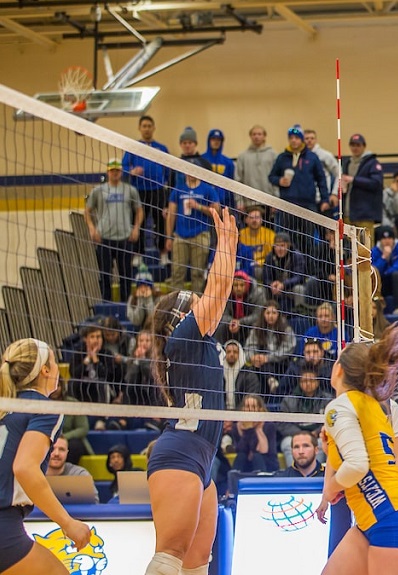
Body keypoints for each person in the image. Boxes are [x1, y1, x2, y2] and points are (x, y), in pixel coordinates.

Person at [144, 206, 236, 575]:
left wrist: (228, 246)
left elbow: (218, 293)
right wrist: (225, 245)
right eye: (193, 300)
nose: (202, 301)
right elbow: (218, 289)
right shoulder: (183, 336)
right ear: (183, 315)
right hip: (181, 451)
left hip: (202, 456)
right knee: (170, 555)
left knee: (197, 562)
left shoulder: (196, 338)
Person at [315, 324, 398, 575]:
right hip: (373, 522)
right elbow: (365, 459)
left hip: (391, 521)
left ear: (339, 369)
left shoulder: (339, 406)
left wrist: (331, 487)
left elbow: (357, 465)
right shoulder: (374, 405)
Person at [0, 338, 92, 575]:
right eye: (54, 361)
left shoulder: (5, 406)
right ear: (45, 371)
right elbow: (24, 467)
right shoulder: (44, 407)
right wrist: (67, 523)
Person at [86, 158, 144, 301]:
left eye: (117, 170)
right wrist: (92, 229)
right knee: (105, 274)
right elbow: (87, 211)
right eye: (112, 171)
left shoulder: (130, 190)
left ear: (121, 172)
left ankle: (126, 304)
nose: (115, 173)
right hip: (104, 238)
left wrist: (136, 229)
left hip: (124, 238)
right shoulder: (98, 190)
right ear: (108, 172)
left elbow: (139, 210)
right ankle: (106, 303)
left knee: (126, 275)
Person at [268, 125, 328, 256]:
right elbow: (271, 176)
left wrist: (325, 199)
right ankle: (291, 270)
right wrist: (279, 181)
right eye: (291, 138)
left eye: (296, 138)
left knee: (308, 240)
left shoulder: (312, 157)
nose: (294, 140)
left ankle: (309, 271)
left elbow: (321, 179)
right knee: (289, 239)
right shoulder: (282, 158)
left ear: (301, 140)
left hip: (308, 205)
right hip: (287, 205)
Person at [122, 115, 172, 258]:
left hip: (158, 190)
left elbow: (169, 170)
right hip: (139, 190)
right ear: (139, 128)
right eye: (144, 126)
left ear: (154, 128)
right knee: (138, 222)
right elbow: (124, 167)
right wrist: (132, 172)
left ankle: (163, 254)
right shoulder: (133, 148)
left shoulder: (161, 148)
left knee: (161, 222)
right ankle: (138, 255)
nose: (147, 129)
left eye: (149, 126)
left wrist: (164, 182)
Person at [166, 170, 221, 292]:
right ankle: (176, 306)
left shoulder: (208, 189)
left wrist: (199, 206)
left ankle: (198, 307)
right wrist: (168, 237)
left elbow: (217, 211)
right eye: (188, 169)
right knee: (177, 273)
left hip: (200, 235)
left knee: (198, 273)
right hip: (180, 236)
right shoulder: (178, 189)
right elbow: (171, 214)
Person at [277, 369, 332, 467]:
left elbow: (330, 421)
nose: (308, 384)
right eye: (304, 381)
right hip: (294, 435)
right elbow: (283, 424)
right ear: (300, 383)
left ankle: (317, 473)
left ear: (317, 382)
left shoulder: (327, 399)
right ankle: (294, 474)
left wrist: (317, 432)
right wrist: (299, 434)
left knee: (321, 443)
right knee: (286, 443)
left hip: (318, 435)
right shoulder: (288, 400)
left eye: (311, 381)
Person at [338, 133, 385, 243]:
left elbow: (376, 183)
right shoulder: (347, 163)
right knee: (349, 248)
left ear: (364, 146)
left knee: (365, 249)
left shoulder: (372, 163)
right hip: (348, 213)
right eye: (353, 145)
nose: (355, 148)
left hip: (365, 214)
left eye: (358, 145)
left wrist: (354, 180)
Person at [243, 300, 296, 393]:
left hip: (280, 364)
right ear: (263, 314)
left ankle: (271, 380)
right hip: (261, 365)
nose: (271, 316)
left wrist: (268, 358)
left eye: (274, 313)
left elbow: (288, 349)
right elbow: (249, 347)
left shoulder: (286, 329)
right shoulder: (256, 329)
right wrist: (253, 357)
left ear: (279, 314)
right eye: (268, 313)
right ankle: (270, 380)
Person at [230, 394, 279, 473]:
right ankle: (234, 482)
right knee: (241, 457)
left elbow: (264, 451)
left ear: (260, 409)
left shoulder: (269, 425)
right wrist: (248, 429)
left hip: (267, 462)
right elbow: (241, 449)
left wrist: (256, 429)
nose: (250, 410)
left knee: (257, 457)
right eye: (247, 406)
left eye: (253, 406)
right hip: (246, 462)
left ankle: (262, 483)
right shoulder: (237, 427)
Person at [45, 436, 99, 504]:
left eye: (61, 449)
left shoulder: (80, 475)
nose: (56, 453)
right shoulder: (33, 474)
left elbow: (94, 504)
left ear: (67, 452)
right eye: (52, 449)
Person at [371, 226, 398, 314]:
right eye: (384, 238)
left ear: (393, 239)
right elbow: (374, 271)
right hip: (384, 283)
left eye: (389, 238)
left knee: (396, 275)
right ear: (380, 240)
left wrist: (385, 272)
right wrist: (383, 258)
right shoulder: (374, 251)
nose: (387, 241)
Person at [263, 232, 307, 313]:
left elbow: (299, 277)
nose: (280, 249)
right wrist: (271, 285)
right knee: (262, 290)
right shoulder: (269, 257)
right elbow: (266, 277)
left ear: (288, 245)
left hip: (290, 288)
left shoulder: (297, 256)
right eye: (277, 246)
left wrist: (283, 285)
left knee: (299, 289)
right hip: (274, 289)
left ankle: (301, 312)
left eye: (282, 245)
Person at [235, 124, 277, 208]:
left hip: (269, 201)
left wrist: (276, 201)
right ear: (250, 136)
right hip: (249, 202)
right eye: (254, 134)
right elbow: (238, 180)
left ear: (264, 136)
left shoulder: (273, 155)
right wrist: (239, 201)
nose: (256, 137)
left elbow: (276, 179)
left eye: (259, 134)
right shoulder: (243, 156)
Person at [238, 207, 276, 280]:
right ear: (246, 220)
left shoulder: (270, 234)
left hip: (262, 266)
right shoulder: (240, 234)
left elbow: (272, 257)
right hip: (244, 265)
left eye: (257, 217)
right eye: (251, 218)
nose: (254, 220)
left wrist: (260, 262)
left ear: (261, 220)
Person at [222, 340, 260, 410]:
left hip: (242, 415)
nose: (232, 354)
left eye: (235, 352)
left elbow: (251, 399)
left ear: (240, 354)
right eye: (228, 352)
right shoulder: (219, 374)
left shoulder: (249, 375)